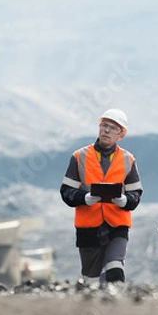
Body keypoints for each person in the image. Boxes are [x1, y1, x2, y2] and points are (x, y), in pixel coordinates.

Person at [60, 108, 143, 284]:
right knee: (91, 281)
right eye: (104, 125)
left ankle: (118, 308)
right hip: (88, 228)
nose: (106, 130)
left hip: (117, 226)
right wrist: (84, 198)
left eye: (113, 128)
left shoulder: (128, 160)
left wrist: (125, 201)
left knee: (115, 269)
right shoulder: (79, 157)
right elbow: (66, 192)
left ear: (121, 135)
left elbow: (135, 194)